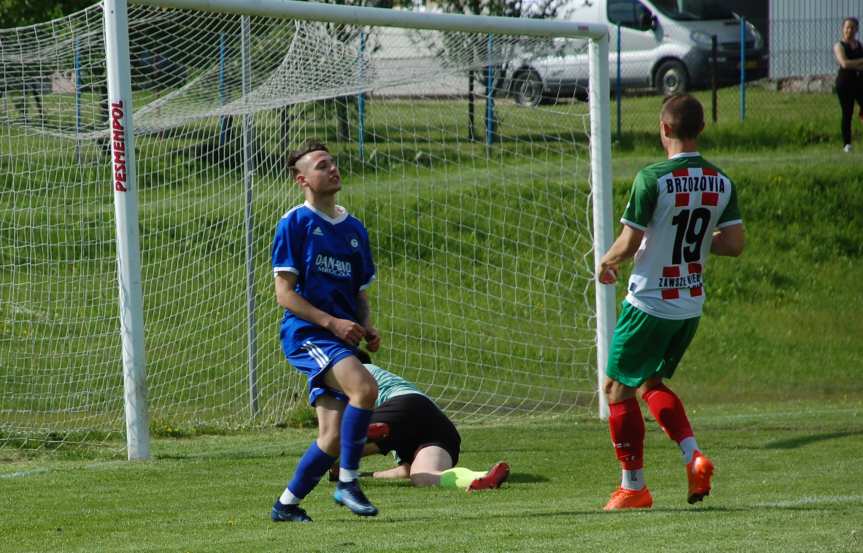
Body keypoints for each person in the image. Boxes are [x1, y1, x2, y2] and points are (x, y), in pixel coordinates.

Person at [597, 94, 744, 511]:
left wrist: (606, 262)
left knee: (616, 389)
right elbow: (734, 244)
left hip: (648, 302)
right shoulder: (721, 181)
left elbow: (630, 241)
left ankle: (633, 487)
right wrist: (694, 244)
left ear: (664, 128)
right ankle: (693, 456)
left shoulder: (653, 178)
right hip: (689, 304)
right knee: (649, 384)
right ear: (700, 130)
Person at [270, 140, 381, 523]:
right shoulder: (295, 224)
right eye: (321, 166)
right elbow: (284, 295)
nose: (332, 169)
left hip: (340, 338)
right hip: (308, 334)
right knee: (365, 389)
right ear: (303, 179)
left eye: (333, 163)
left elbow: (359, 291)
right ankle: (348, 482)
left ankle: (285, 505)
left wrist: (365, 325)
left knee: (331, 437)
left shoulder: (353, 229)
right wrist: (332, 323)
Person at [331, 350, 510, 491]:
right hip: (436, 425)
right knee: (423, 477)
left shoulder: (356, 372)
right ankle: (482, 477)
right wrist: (364, 475)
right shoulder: (386, 379)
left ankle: (357, 440)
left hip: (403, 406)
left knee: (337, 443)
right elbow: (404, 472)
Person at [833, 17, 863, 153]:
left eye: (852, 27)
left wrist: (855, 64)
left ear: (856, 29)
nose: (849, 30)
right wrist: (860, 62)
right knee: (847, 112)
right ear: (843, 29)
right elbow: (844, 63)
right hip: (844, 84)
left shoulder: (859, 45)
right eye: (847, 27)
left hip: (859, 82)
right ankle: (847, 144)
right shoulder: (839, 46)